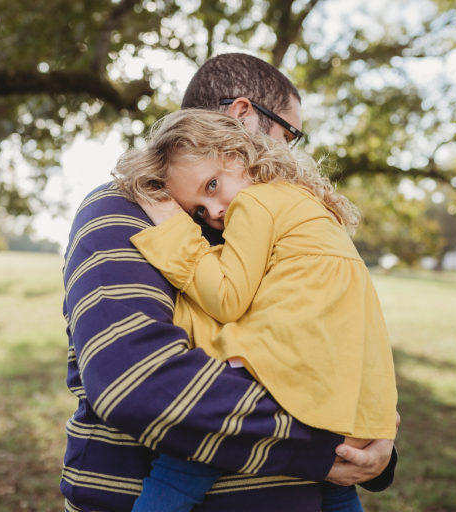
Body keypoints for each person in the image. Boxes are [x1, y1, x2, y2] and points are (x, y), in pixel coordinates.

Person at [61, 53, 397, 512]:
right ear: (243, 116)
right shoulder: (128, 211)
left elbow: (329, 340)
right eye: (288, 134)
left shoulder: (280, 216)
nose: (290, 153)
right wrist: (320, 448)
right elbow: (137, 381)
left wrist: (370, 446)